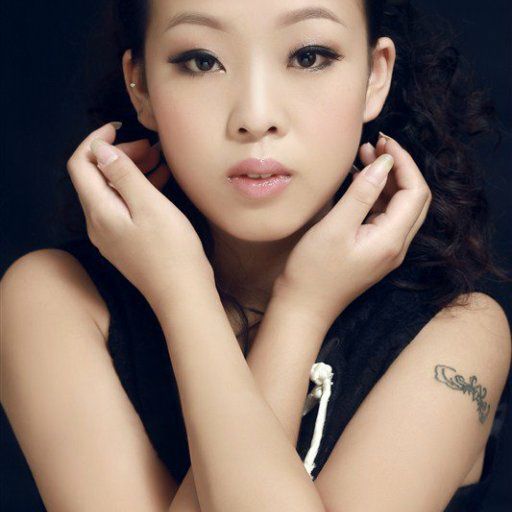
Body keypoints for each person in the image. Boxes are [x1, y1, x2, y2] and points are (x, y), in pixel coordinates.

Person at [1, 1, 511, 511]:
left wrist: (299, 307)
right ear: (142, 87)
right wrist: (184, 291)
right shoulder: (51, 300)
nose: (255, 117)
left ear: (375, 76)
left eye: (308, 56)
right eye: (202, 61)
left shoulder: (459, 332)